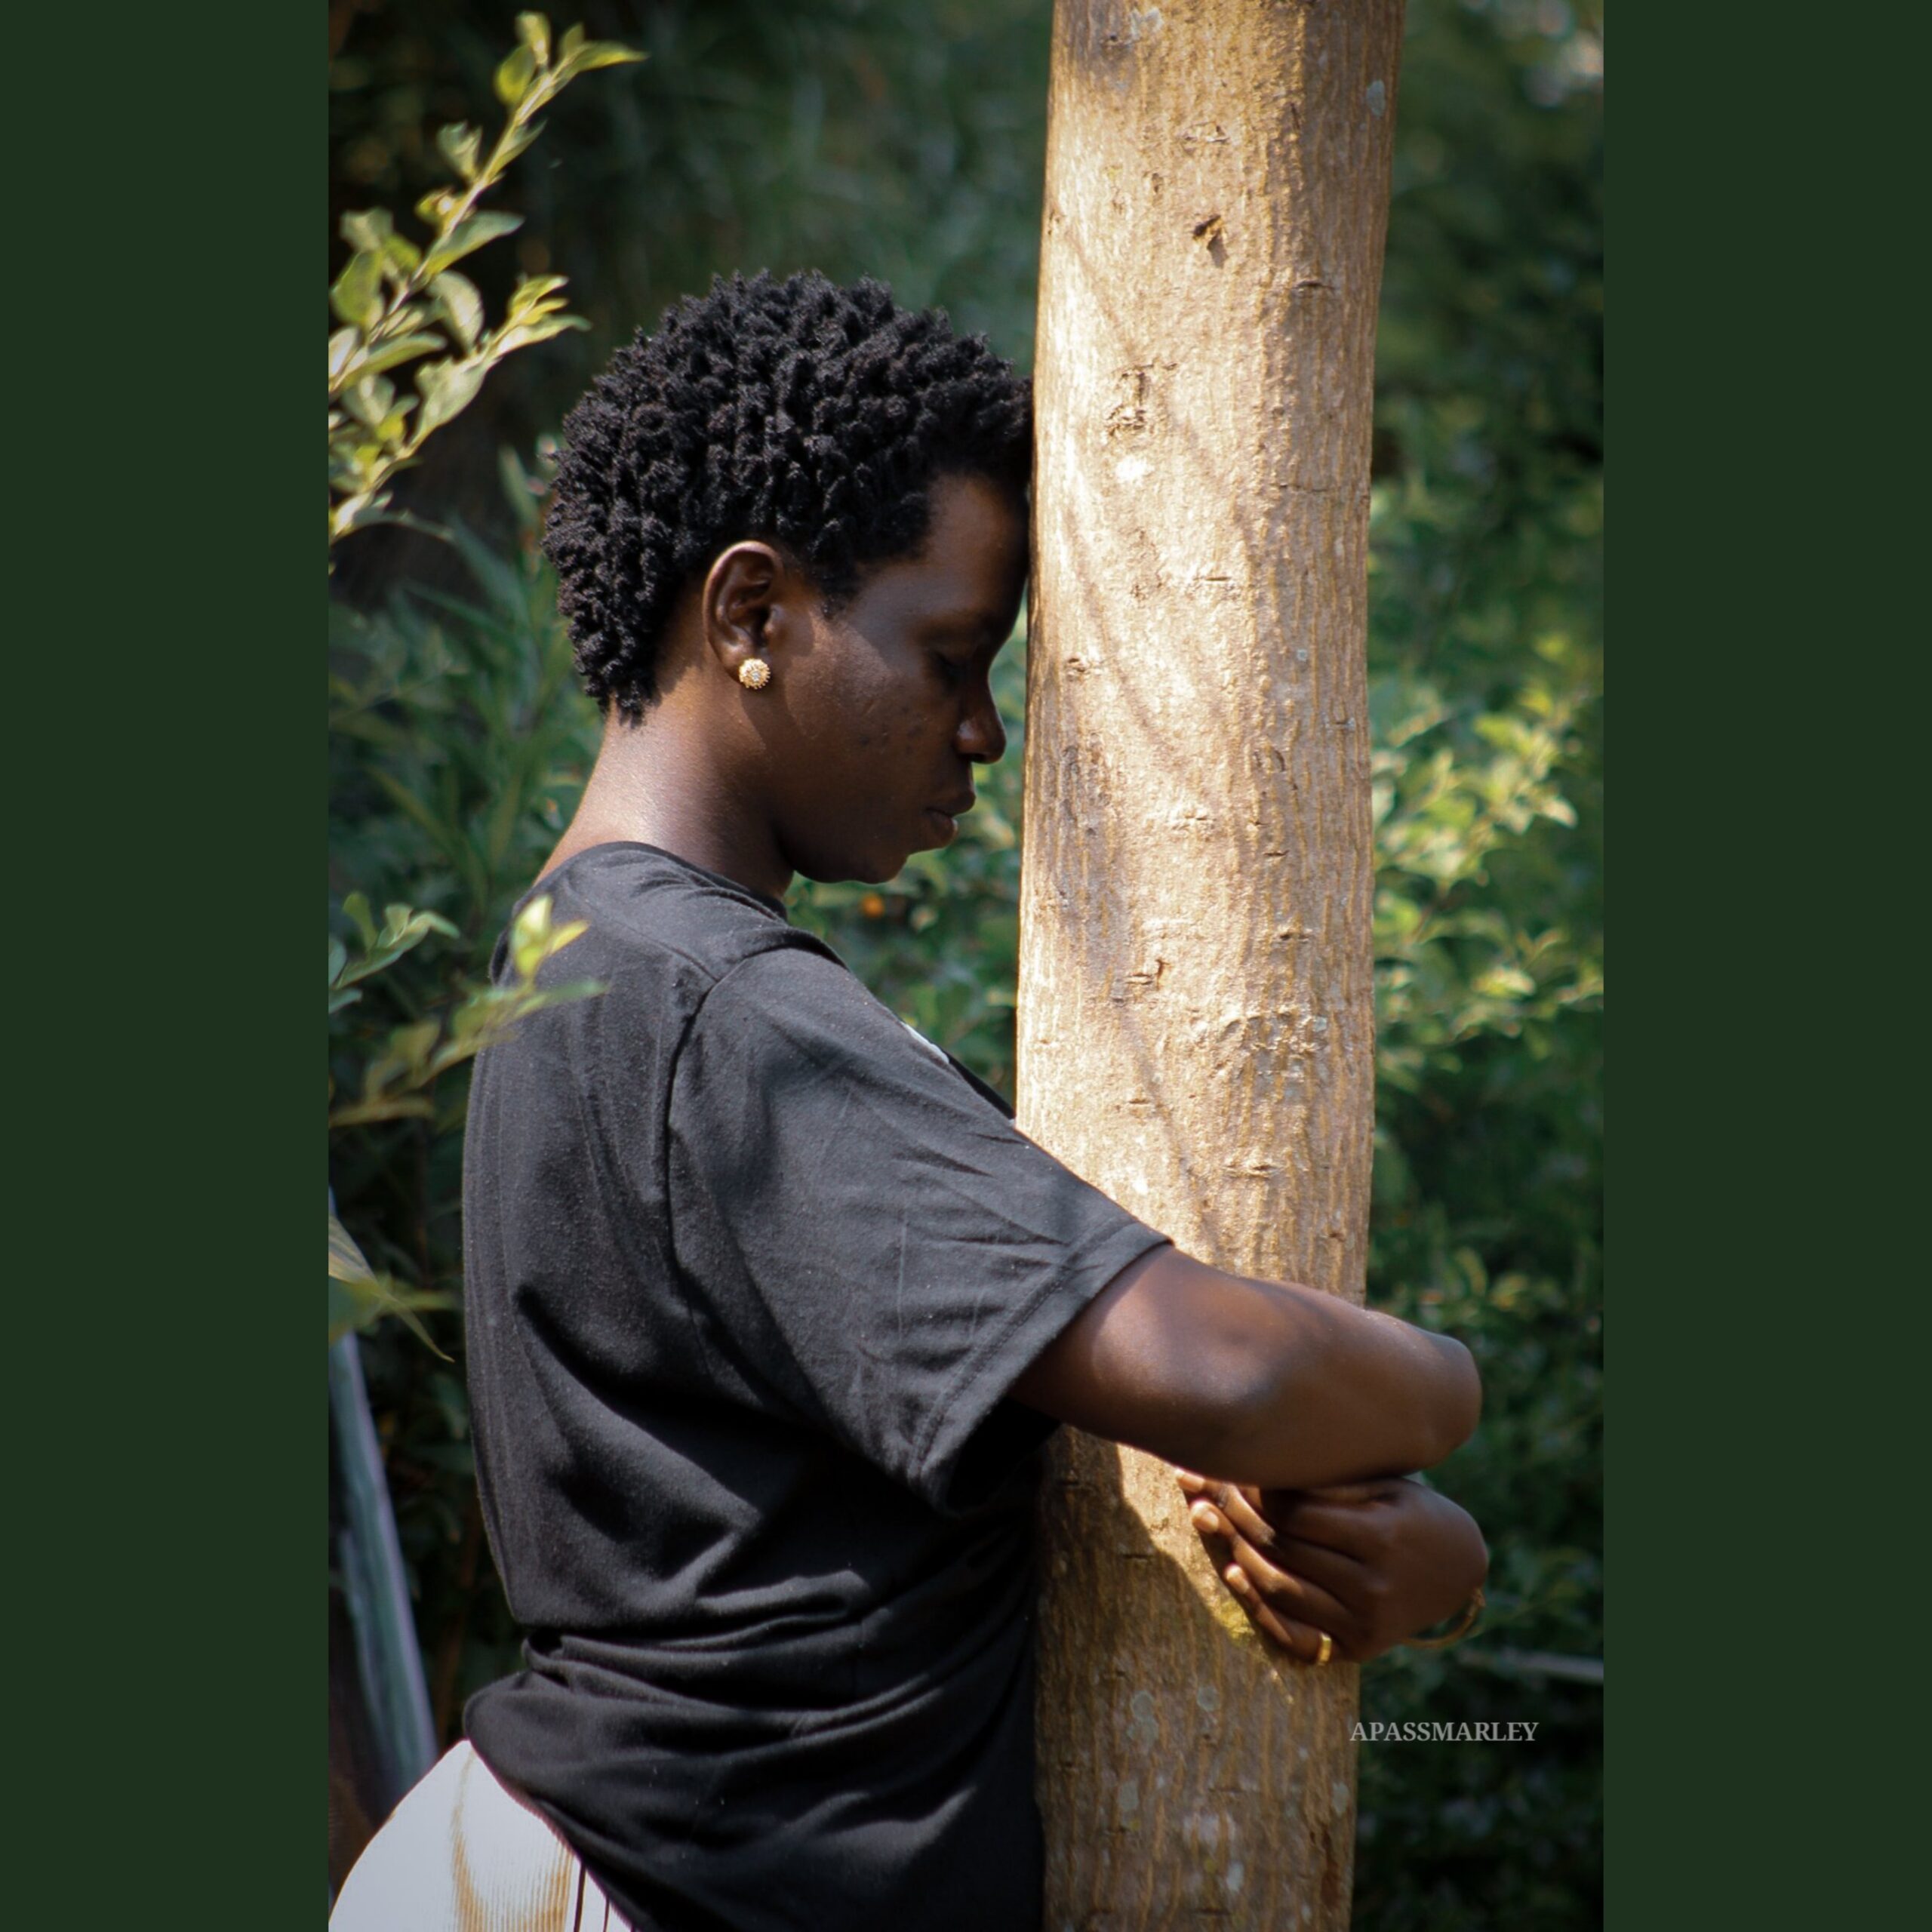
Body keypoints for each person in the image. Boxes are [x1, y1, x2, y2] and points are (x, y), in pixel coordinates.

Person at [331, 272, 1488, 1932]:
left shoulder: (588, 954)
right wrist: (1447, 1392)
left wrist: (1407, 1578)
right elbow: (1236, 1378)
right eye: (948, 654)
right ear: (749, 613)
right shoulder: (716, 1012)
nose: (982, 729)